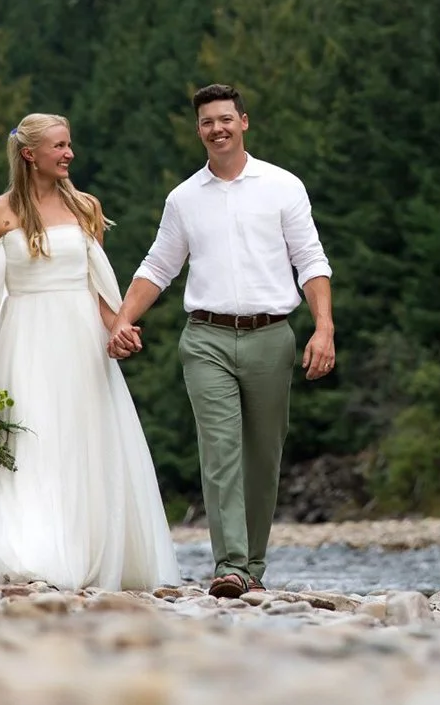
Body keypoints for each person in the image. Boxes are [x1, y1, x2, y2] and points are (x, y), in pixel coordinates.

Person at [0, 113, 179, 590]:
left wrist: (119, 329)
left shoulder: (87, 207)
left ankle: (86, 548)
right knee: (28, 440)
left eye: (70, 145)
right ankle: (24, 548)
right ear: (30, 154)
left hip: (80, 339)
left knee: (82, 438)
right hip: (23, 336)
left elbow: (98, 287)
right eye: (60, 146)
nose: (69, 154)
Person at [106, 83, 335, 598]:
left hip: (271, 337)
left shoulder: (282, 187)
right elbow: (158, 266)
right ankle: (229, 566)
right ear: (199, 130)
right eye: (208, 121)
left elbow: (311, 260)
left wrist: (324, 328)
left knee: (263, 456)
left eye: (226, 119)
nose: (218, 128)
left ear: (244, 122)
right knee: (220, 450)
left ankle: (253, 564)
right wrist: (121, 319)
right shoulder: (185, 198)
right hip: (205, 338)